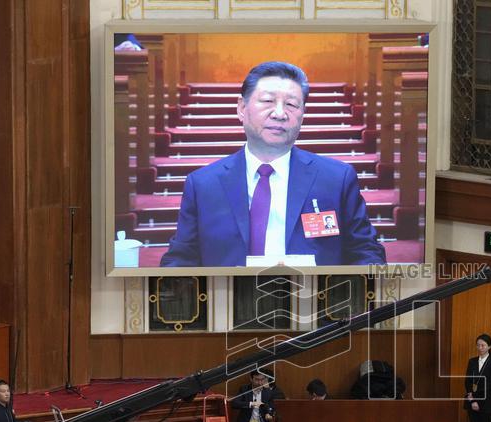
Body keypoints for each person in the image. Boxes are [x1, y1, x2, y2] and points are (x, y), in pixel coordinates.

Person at [160, 61, 385, 267]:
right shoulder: (203, 184)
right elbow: (181, 258)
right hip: (227, 296)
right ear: (241, 108)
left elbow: (366, 252)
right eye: (268, 101)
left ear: (303, 114)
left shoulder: (336, 179)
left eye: (291, 104)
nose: (279, 113)